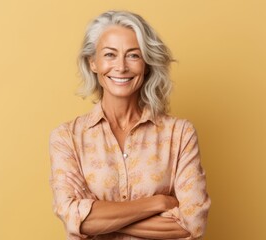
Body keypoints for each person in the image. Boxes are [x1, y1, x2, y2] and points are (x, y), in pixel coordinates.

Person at [49, 10, 211, 240]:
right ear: (93, 62)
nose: (121, 67)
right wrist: (158, 203)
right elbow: (72, 216)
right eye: (110, 55)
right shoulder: (67, 138)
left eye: (133, 55)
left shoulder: (180, 134)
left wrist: (97, 219)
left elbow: (193, 224)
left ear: (146, 64)